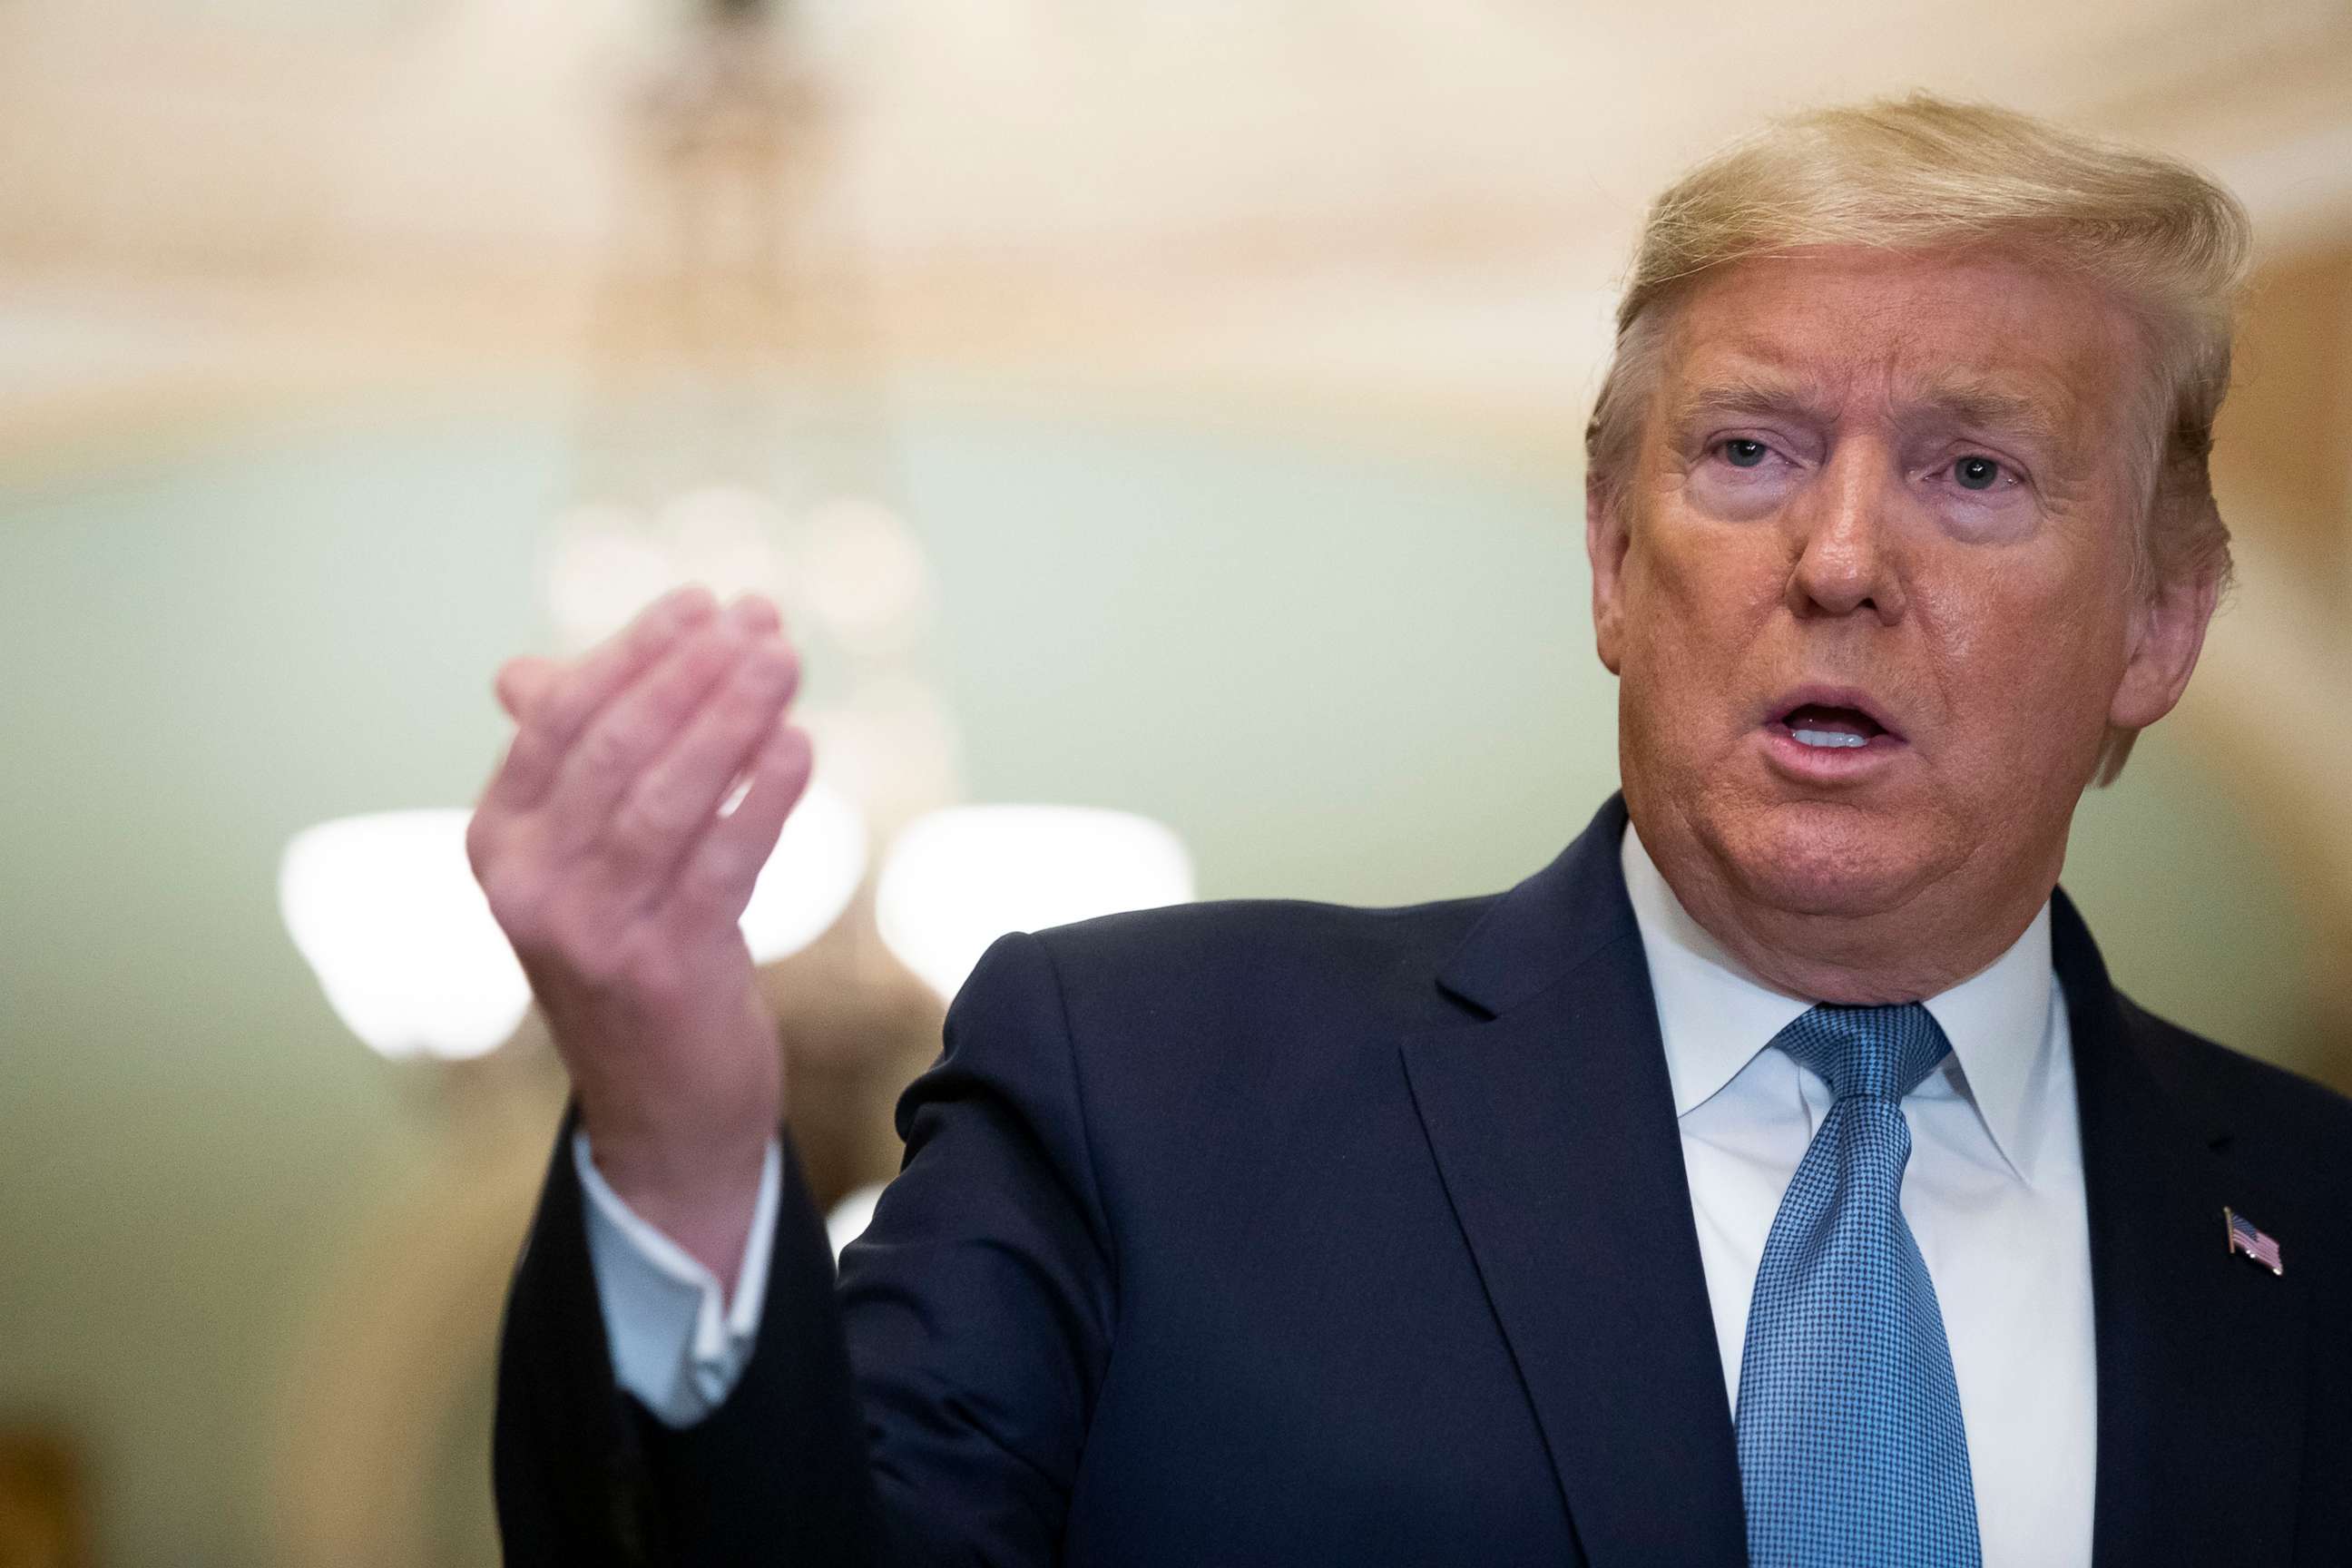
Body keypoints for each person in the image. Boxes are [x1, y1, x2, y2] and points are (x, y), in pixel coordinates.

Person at [477, 94, 2352, 1567]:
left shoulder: (2319, 1225)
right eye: (1749, 453)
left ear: (2160, 626)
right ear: (1615, 558)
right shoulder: (1143, 1089)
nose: (1842, 560)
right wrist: (678, 1141)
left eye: (1976, 469)